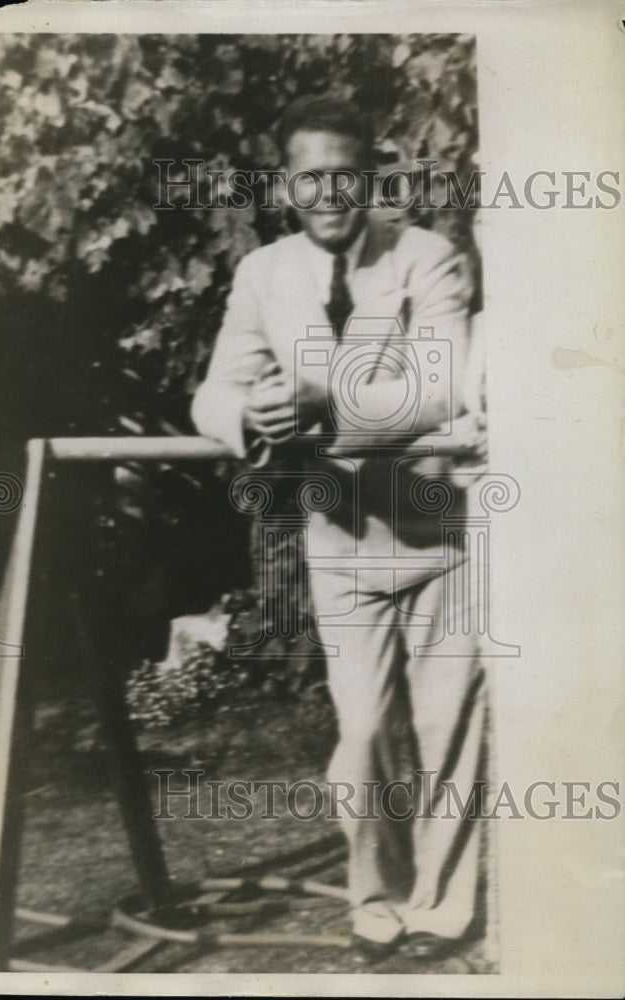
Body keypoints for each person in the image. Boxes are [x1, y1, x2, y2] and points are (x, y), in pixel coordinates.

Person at [191, 95, 489, 959]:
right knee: (362, 734)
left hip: (438, 534)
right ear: (287, 182)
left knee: (444, 732)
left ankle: (439, 908)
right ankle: (378, 897)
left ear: (370, 177)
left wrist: (323, 397)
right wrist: (250, 412)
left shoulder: (429, 257)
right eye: (309, 176)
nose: (328, 193)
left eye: (345, 175)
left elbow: (438, 390)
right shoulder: (264, 273)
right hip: (340, 538)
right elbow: (213, 389)